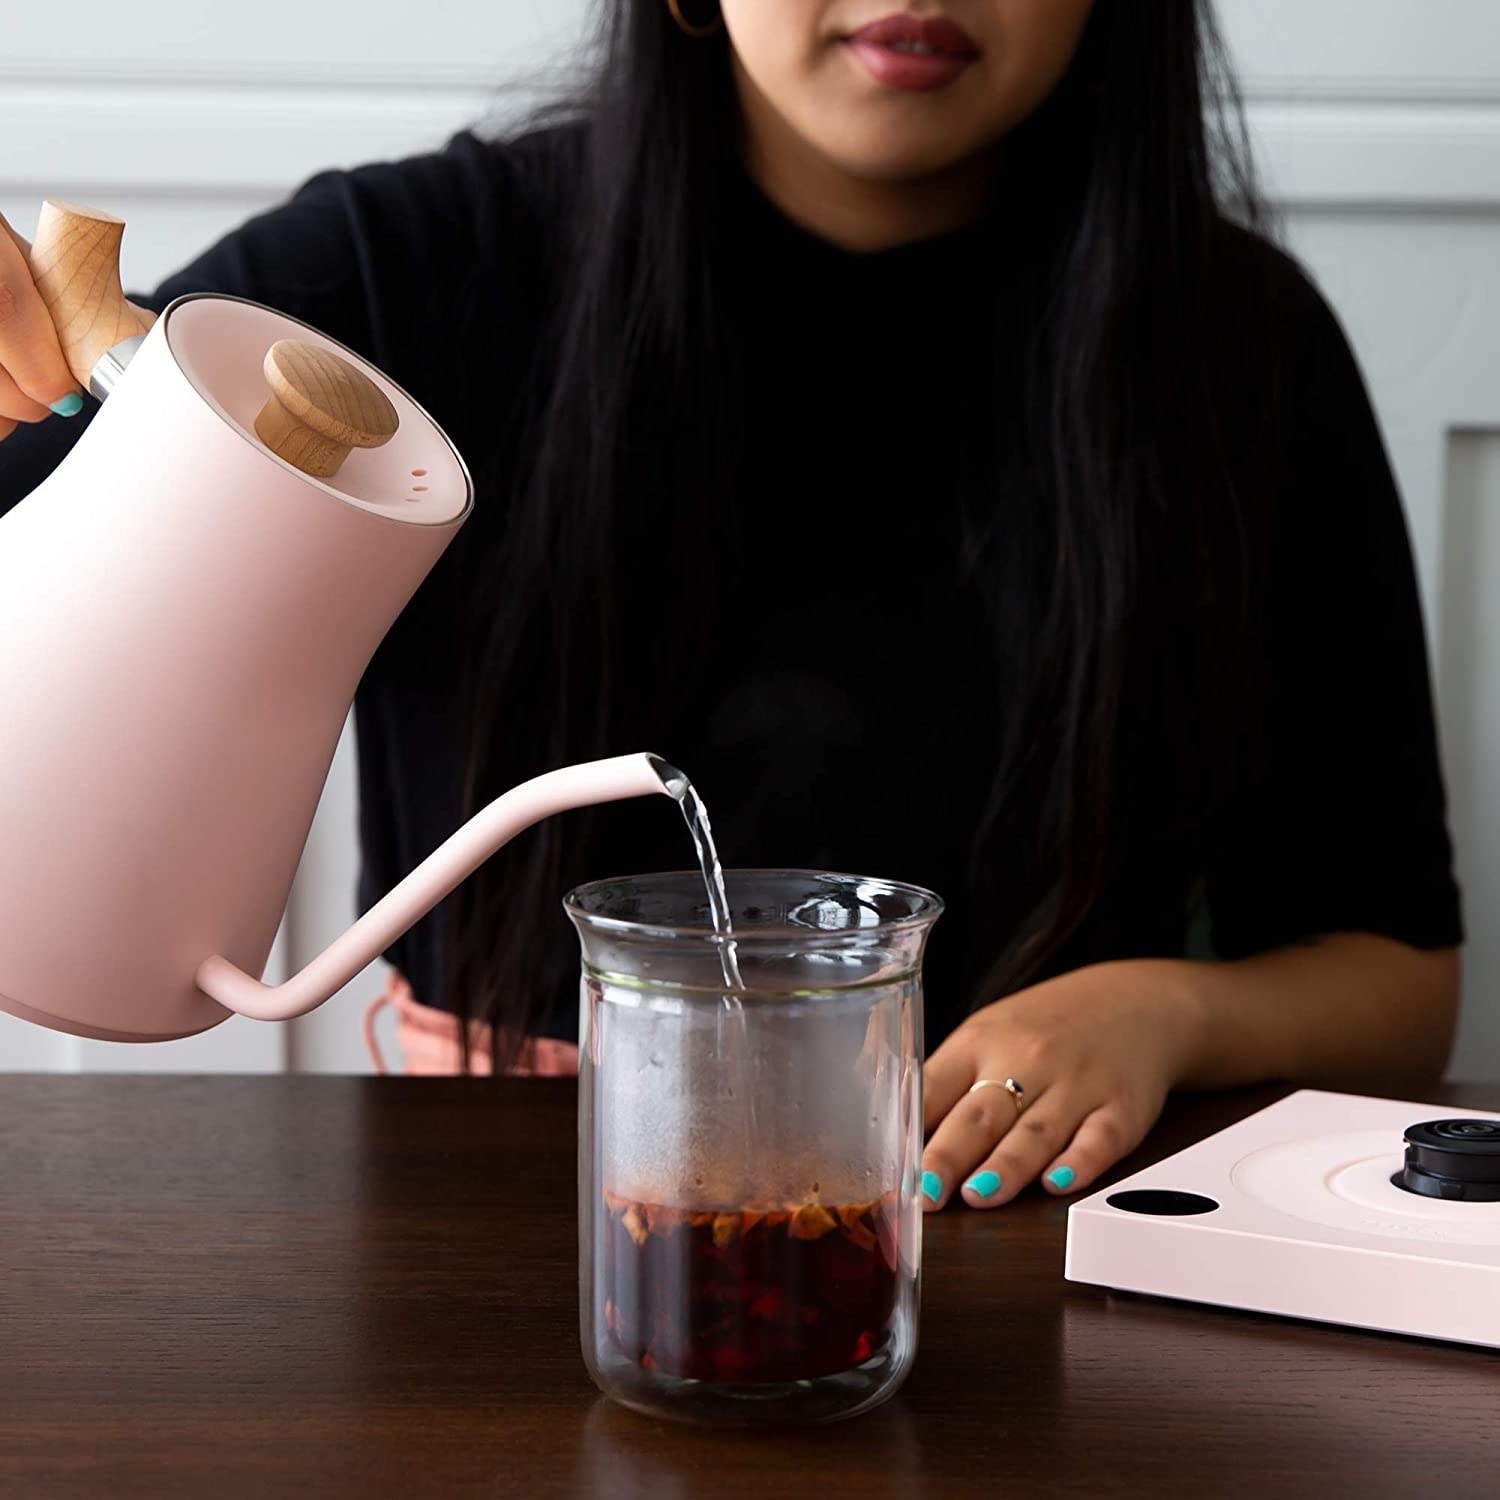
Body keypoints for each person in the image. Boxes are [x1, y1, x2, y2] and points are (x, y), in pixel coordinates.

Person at [0, 0, 1463, 1211]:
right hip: (471, 1219)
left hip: (1029, 1224)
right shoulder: (411, 271)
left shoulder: (1238, 350)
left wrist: (1167, 1010)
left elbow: (1400, 976)